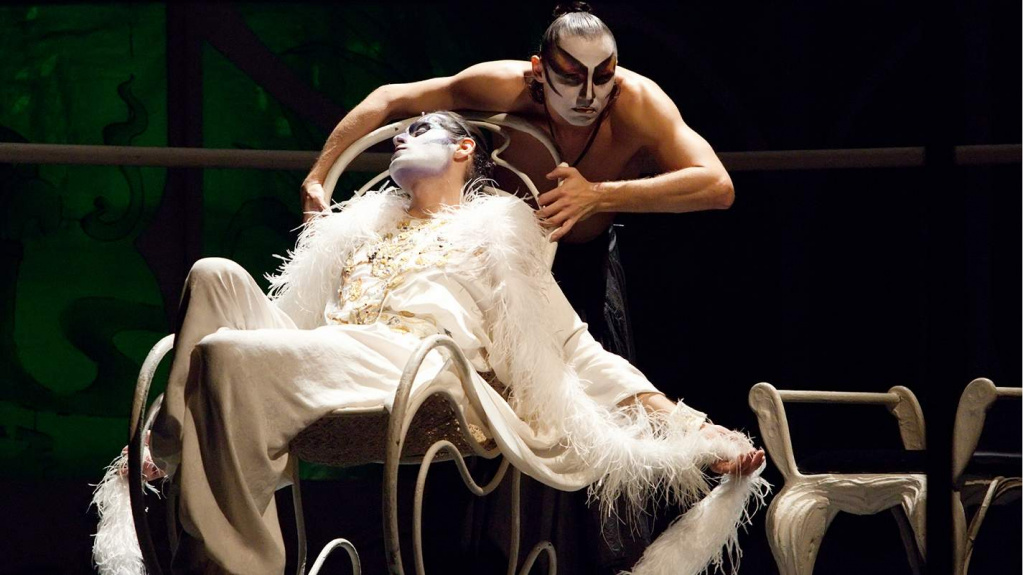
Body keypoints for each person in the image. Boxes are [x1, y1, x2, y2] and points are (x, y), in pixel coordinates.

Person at [92, 112, 763, 575]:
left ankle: (227, 564)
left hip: (417, 367)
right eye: (400, 133)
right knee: (214, 274)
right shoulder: (360, 232)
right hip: (335, 353)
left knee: (227, 355)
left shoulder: (497, 234)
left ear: (464, 149)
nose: (400, 138)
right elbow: (296, 328)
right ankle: (171, 440)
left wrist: (688, 425)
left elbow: (572, 344)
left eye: (419, 131)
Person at [299, 4, 734, 362]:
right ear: (539, 70)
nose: (587, 95)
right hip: (494, 256)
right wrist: (317, 176)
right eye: (570, 76)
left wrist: (597, 194)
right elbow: (389, 97)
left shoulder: (637, 101)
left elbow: (717, 185)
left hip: (585, 260)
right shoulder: (504, 86)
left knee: (598, 378)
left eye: (602, 77)